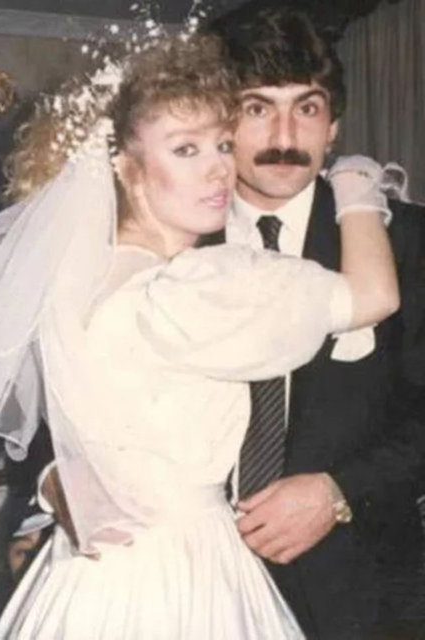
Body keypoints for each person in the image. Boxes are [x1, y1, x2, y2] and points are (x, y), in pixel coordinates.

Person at [0, 34, 397, 639]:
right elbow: (374, 296)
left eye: (222, 144)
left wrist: (62, 480)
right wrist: (360, 184)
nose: (218, 168)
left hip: (91, 583)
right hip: (185, 574)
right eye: (185, 149)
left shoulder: (75, 279)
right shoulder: (191, 286)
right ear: (124, 166)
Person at [207, 7, 425, 639]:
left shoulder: (407, 241)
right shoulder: (175, 240)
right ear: (219, 123)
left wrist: (338, 492)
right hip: (199, 584)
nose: (285, 135)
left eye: (306, 108)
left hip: (363, 595)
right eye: (256, 108)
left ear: (333, 127)